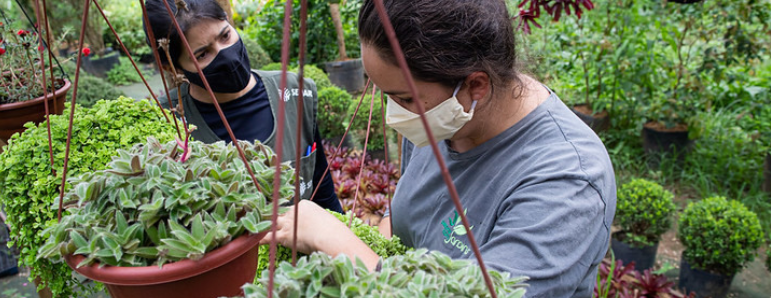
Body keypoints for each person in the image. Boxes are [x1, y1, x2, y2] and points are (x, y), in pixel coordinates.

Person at [263, 0, 617, 297]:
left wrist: (342, 246)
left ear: (475, 85)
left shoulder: (569, 180)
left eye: (403, 98)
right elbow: (406, 224)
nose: (393, 115)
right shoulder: (445, 116)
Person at [144, 0, 343, 213]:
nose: (226, 55)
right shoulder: (165, 119)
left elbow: (322, 189)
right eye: (202, 54)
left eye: (225, 36)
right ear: (171, 66)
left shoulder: (293, 90)